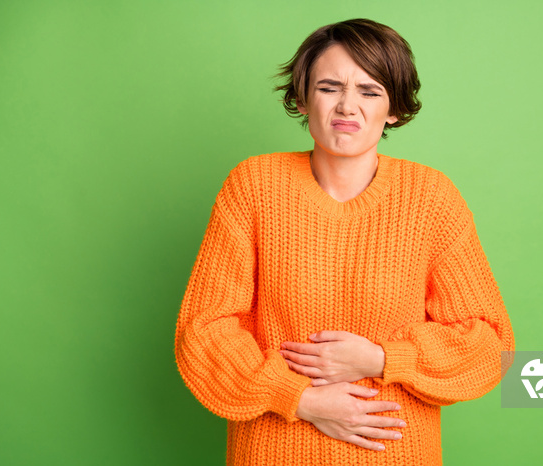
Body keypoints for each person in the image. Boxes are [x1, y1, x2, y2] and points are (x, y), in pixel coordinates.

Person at [174, 18, 515, 466]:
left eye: (369, 91)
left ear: (394, 108)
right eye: (329, 87)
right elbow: (203, 331)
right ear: (302, 98)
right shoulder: (253, 187)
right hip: (274, 453)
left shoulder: (431, 198)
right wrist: (301, 399)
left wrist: (381, 359)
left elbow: (491, 345)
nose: (347, 107)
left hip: (395, 454)